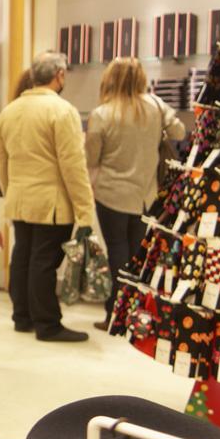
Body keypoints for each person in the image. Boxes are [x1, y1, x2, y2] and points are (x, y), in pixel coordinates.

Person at [0, 51, 95, 343]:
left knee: (23, 257)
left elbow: (3, 164)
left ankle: (22, 317)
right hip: (51, 203)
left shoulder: (9, 112)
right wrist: (85, 212)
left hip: (19, 199)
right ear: (59, 75)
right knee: (43, 263)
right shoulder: (62, 112)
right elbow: (73, 166)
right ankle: (48, 324)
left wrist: (9, 193)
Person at [85, 57, 186, 330]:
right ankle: (135, 312)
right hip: (146, 194)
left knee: (117, 251)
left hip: (110, 193)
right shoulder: (154, 105)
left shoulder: (103, 113)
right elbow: (180, 131)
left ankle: (115, 314)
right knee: (137, 254)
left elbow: (91, 158)